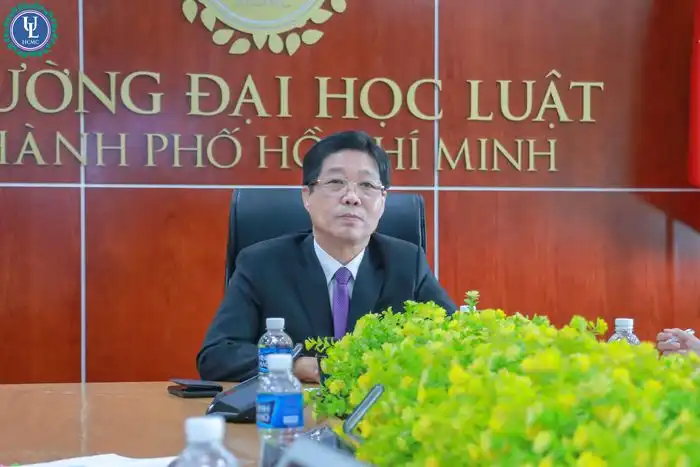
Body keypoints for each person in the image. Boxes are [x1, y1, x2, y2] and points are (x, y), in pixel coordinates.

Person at [196, 130, 457, 383]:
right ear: (307, 196)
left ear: (382, 201)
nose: (352, 197)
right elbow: (217, 355)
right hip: (292, 408)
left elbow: (458, 343)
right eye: (335, 183)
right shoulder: (261, 264)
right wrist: (297, 365)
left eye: (367, 185)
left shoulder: (406, 262)